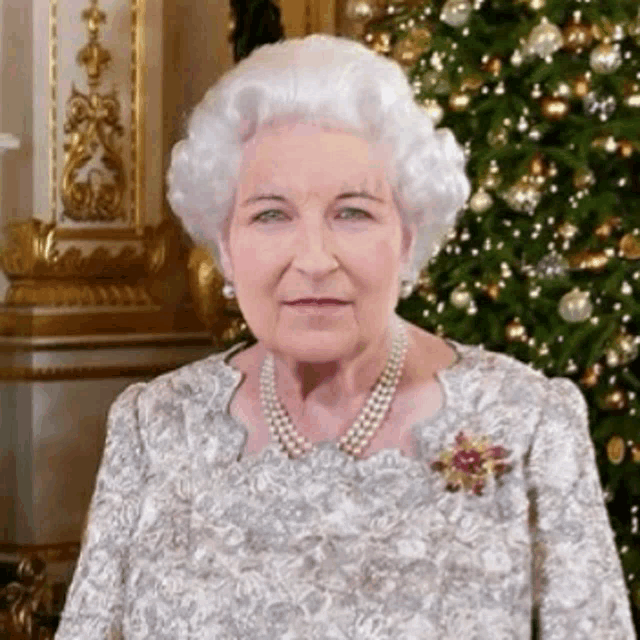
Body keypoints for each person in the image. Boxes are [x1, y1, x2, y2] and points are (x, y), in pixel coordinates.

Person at [54, 35, 636, 639]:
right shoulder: (154, 427)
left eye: (352, 213)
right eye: (271, 214)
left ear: (408, 238)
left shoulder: (527, 423)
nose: (313, 259)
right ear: (226, 245)